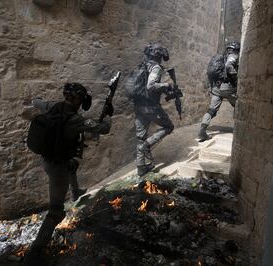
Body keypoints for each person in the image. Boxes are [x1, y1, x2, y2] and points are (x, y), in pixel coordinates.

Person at [23, 83, 113, 266]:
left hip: (48, 159)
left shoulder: (53, 106)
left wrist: (36, 100)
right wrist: (109, 115)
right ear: (79, 100)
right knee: (55, 212)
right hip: (57, 167)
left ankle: (76, 192)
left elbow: (38, 102)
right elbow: (103, 128)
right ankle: (34, 253)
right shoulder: (75, 120)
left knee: (72, 163)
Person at [134, 42, 175, 177]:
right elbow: (151, 86)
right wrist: (167, 86)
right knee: (169, 126)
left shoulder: (143, 65)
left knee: (140, 137)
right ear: (159, 55)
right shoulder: (156, 67)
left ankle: (141, 167)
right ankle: (147, 145)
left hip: (139, 105)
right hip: (150, 106)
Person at [198, 41, 240, 141]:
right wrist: (236, 78)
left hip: (217, 88)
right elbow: (229, 65)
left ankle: (202, 130)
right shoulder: (233, 56)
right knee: (238, 106)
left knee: (212, 110)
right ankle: (239, 131)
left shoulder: (222, 56)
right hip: (228, 89)